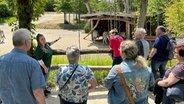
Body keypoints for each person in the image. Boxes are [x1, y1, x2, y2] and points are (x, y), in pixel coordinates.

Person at [0, 29, 46, 104]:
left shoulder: (1, 60)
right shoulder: (32, 64)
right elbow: (38, 92)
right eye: (30, 40)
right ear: (26, 42)